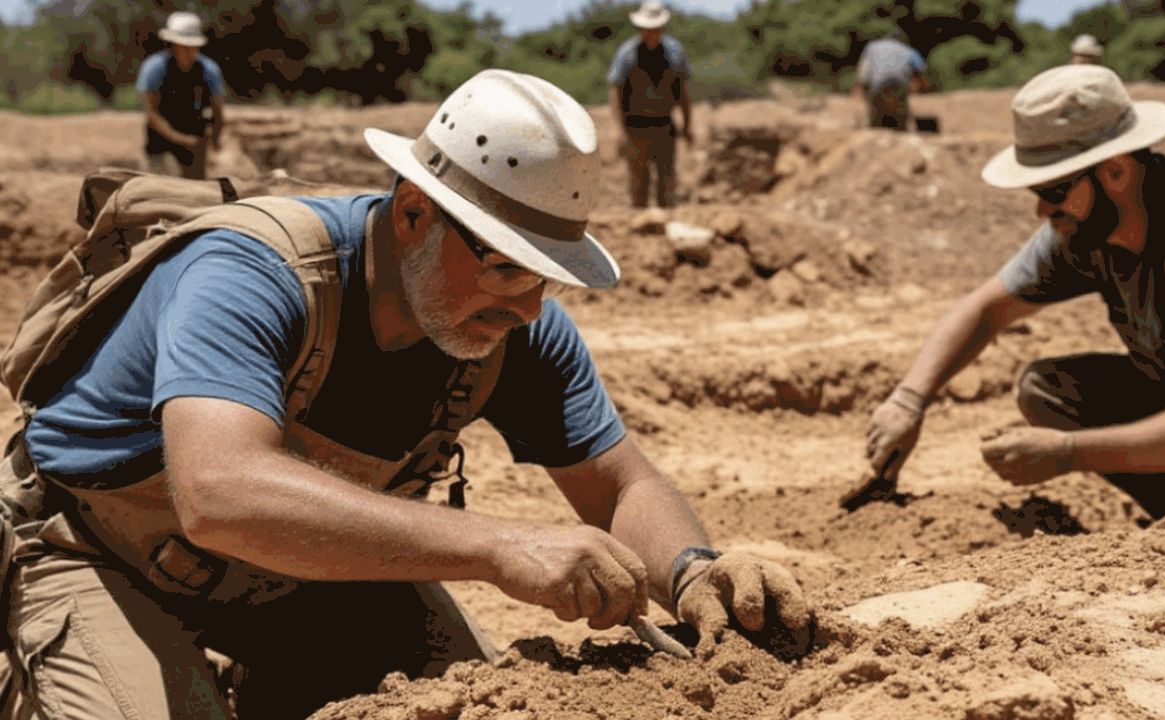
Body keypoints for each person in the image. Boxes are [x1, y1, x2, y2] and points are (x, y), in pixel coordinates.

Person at [0, 69, 811, 720]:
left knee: (476, 705)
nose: (529, 305)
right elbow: (219, 492)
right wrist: (501, 547)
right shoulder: (252, 274)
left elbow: (618, 483)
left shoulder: (517, 329)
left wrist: (696, 571)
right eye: (505, 265)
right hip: (103, 555)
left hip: (307, 577)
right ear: (415, 213)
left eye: (547, 276)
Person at [863, 64, 1165, 529]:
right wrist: (908, 401)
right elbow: (987, 308)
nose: (1042, 210)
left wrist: (1068, 454)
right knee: (1050, 392)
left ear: (1116, 171)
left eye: (1053, 190)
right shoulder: (1089, 224)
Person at [606, 1, 693, 208]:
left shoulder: (674, 52)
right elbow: (615, 92)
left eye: (655, 29)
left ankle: (666, 227)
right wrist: (618, 131)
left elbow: (682, 91)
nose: (651, 33)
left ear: (662, 28)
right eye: (647, 29)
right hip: (634, 127)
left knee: (667, 180)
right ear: (640, 28)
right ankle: (640, 228)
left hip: (664, 125)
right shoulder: (627, 53)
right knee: (638, 181)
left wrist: (688, 124)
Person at [136, 11, 225, 179]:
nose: (187, 51)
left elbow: (218, 111)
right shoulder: (154, 68)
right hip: (160, 145)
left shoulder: (209, 71)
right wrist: (182, 139)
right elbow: (151, 114)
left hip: (195, 146)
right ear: (173, 45)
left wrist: (215, 140)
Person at [853, 32, 929, 132]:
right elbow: (921, 76)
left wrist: (859, 92)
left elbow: (863, 75)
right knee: (900, 118)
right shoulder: (909, 50)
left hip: (878, 85)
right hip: (900, 86)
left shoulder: (872, 47)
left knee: (877, 116)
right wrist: (922, 91)